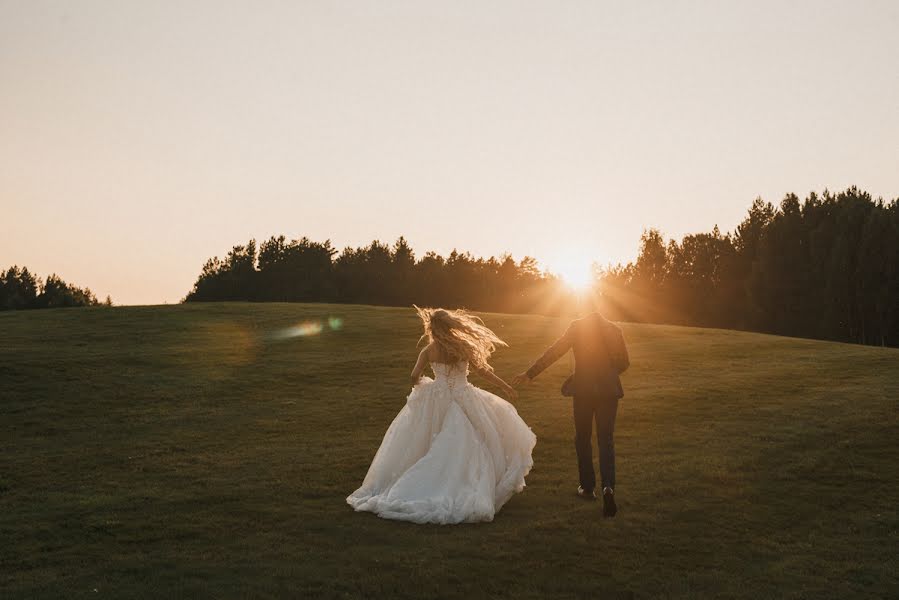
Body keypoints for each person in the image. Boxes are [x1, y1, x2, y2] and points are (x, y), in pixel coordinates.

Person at [347, 306, 536, 524]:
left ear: (432, 328)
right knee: (477, 440)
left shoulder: (428, 351)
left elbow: (414, 375)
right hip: (464, 396)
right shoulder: (463, 347)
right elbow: (483, 372)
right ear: (452, 327)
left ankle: (423, 482)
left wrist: (423, 386)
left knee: (426, 440)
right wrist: (505, 387)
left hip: (437, 399)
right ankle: (469, 481)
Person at [513, 298, 629, 517]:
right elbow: (624, 362)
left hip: (583, 391)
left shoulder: (577, 327)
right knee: (606, 439)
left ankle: (587, 488)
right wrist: (607, 376)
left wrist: (530, 373)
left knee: (583, 438)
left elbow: (554, 352)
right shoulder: (615, 329)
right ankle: (608, 487)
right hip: (608, 392)